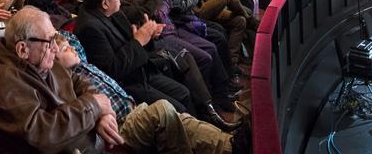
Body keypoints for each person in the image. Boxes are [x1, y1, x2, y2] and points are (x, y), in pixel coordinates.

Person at [53, 32, 236, 154]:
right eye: (64, 49)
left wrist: (56, 38)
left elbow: (69, 37)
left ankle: (232, 144)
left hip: (133, 109)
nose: (72, 48)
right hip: (119, 127)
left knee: (182, 121)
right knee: (163, 110)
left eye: (71, 45)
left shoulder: (80, 62)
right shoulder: (62, 80)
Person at [0, 6, 125, 154]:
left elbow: (79, 81)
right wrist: (93, 108)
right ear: (23, 49)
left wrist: (100, 114)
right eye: (50, 41)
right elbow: (41, 134)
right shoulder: (1, 83)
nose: (55, 48)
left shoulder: (40, 58)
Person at [75, 0, 200, 119]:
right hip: (127, 85)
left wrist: (148, 34)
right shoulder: (90, 28)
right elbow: (112, 69)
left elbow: (132, 38)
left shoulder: (111, 11)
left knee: (183, 92)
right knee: (177, 109)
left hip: (139, 70)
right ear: (105, 3)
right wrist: (139, 41)